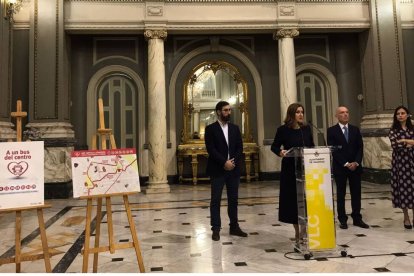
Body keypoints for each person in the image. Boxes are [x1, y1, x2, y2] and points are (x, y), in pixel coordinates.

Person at [271, 103, 314, 245]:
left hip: (307, 169)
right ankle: (297, 231)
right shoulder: (283, 130)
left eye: (302, 112)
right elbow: (274, 146)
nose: (301, 114)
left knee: (307, 200)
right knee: (294, 202)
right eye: (297, 112)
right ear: (291, 114)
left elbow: (312, 146)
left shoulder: (306, 129)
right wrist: (280, 152)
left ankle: (305, 229)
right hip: (290, 170)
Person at [204, 100, 247, 241]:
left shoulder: (235, 128)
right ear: (218, 112)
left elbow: (239, 147)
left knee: (233, 199)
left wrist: (232, 162)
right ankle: (216, 229)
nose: (228, 112)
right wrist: (224, 162)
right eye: (225, 110)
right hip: (218, 169)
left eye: (229, 110)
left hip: (233, 169)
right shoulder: (210, 129)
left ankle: (234, 226)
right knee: (215, 200)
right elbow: (211, 149)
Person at [327, 106, 369, 229]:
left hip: (355, 168)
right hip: (341, 167)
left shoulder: (355, 129)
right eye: (342, 113)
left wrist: (356, 162)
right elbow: (333, 150)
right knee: (341, 194)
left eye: (347, 112)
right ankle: (342, 219)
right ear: (337, 116)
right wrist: (345, 163)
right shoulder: (331, 131)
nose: (345, 114)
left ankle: (357, 218)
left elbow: (360, 147)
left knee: (356, 193)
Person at [388, 106, 414, 229]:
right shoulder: (393, 130)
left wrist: (403, 140)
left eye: (403, 113)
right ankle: (406, 217)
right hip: (400, 164)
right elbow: (395, 145)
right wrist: (410, 142)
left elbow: (401, 143)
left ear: (407, 115)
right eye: (398, 113)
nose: (400, 115)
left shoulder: (412, 128)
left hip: (412, 162)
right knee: (403, 189)